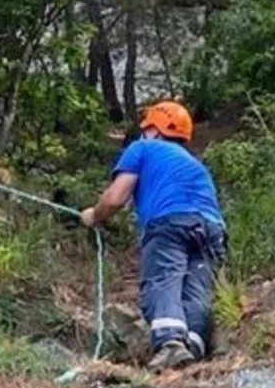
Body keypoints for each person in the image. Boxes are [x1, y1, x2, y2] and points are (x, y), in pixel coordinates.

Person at [80, 101, 227, 372]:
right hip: (212, 228)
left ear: (154, 130)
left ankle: (171, 344)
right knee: (196, 289)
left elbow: (115, 197)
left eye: (146, 128)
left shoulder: (143, 148)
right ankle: (193, 347)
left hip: (169, 222)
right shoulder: (195, 164)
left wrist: (93, 216)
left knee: (164, 279)